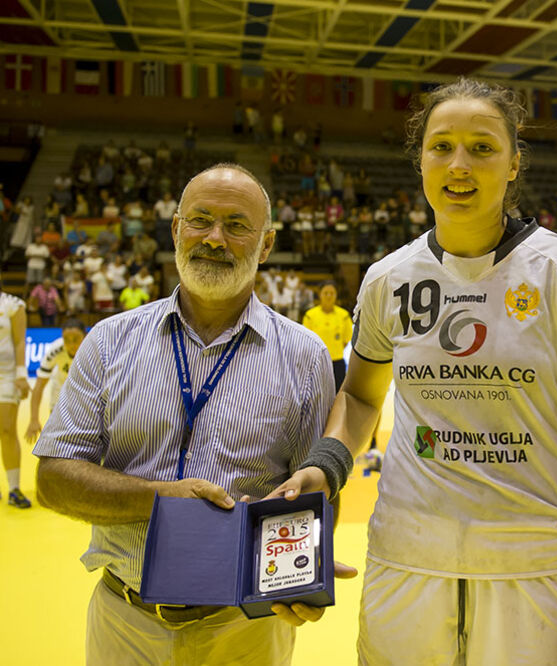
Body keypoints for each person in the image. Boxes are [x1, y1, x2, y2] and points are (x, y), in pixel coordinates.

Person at [269, 78, 557, 665]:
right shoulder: (389, 278)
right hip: (406, 558)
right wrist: (326, 465)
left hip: (537, 565)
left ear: (514, 163)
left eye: (482, 147)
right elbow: (361, 399)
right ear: (420, 160)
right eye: (441, 146)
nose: (458, 164)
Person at [33, 164, 342, 665]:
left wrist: (303, 575)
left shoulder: (306, 356)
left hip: (245, 630)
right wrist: (163, 499)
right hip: (125, 621)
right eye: (200, 220)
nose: (215, 239)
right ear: (177, 229)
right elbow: (53, 480)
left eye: (237, 225)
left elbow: (315, 492)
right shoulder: (109, 341)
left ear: (265, 245)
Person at [24, 318, 87, 444]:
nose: (71, 344)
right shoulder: (55, 350)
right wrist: (34, 419)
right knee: (58, 438)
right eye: (66, 340)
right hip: (60, 392)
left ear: (84, 337)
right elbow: (39, 386)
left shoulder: (93, 350)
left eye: (75, 339)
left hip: (85, 395)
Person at [0, 276, 31, 508]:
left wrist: (21, 374)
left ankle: (13, 488)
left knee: (8, 429)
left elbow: (20, 341)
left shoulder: (13, 304)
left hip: (6, 376)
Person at [301, 282, 352, 391]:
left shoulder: (344, 315)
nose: (329, 296)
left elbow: (346, 340)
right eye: (326, 293)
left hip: (337, 362)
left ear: (336, 295)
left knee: (338, 394)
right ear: (320, 295)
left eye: (332, 293)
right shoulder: (310, 315)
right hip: (317, 363)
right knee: (317, 393)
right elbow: (306, 339)